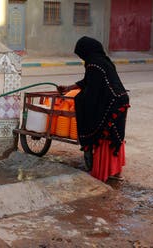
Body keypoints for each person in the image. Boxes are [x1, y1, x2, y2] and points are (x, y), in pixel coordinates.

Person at [57, 36, 130, 182]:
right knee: (114, 136)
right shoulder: (103, 61)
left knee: (102, 133)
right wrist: (70, 87)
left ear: (86, 52)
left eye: (81, 54)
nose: (82, 58)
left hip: (111, 103)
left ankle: (104, 171)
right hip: (120, 101)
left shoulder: (93, 64)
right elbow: (88, 81)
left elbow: (92, 91)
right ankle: (115, 172)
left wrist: (78, 100)